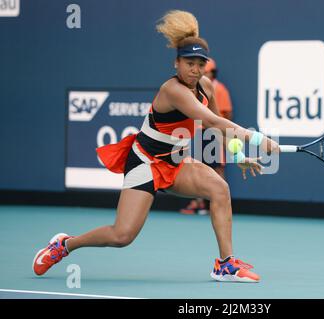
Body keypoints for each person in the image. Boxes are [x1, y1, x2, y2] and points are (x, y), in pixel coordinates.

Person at [32, 10, 279, 283]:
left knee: (219, 189)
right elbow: (209, 118)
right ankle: (65, 245)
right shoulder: (172, 91)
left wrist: (238, 153)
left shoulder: (206, 87)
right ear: (176, 63)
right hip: (146, 164)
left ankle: (225, 264)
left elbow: (214, 127)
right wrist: (256, 139)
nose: (195, 69)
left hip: (175, 163)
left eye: (200, 63)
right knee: (121, 236)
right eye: (189, 63)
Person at [180, 58, 233, 215]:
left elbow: (226, 114)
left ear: (211, 72)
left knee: (217, 168)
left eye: (204, 69)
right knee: (196, 167)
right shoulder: (193, 89)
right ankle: (198, 203)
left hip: (213, 132)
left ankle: (218, 204)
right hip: (198, 131)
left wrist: (221, 131)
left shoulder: (219, 89)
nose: (199, 72)